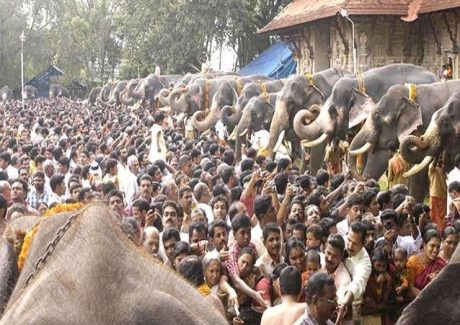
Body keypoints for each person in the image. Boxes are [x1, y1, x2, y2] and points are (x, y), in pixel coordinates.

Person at [336, 222, 372, 324]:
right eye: (349, 240)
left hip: (350, 308)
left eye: (355, 243)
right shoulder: (341, 241)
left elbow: (356, 285)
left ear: (364, 243)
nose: (350, 246)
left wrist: (343, 304)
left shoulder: (365, 263)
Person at [406, 229, 446, 297]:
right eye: (432, 246)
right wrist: (425, 298)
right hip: (416, 301)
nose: (435, 250)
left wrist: (438, 279)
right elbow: (411, 287)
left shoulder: (440, 263)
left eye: (438, 247)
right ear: (424, 245)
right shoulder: (413, 262)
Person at [361, 248, 392, 324]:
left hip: (382, 312)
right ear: (373, 262)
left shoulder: (389, 275)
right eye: (378, 265)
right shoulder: (367, 275)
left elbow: (386, 302)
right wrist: (378, 284)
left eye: (383, 266)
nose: (381, 269)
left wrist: (389, 283)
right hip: (369, 313)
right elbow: (370, 303)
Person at [428, 159, 447, 230]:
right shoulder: (432, 168)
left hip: (443, 195)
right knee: (433, 215)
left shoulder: (443, 169)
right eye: (438, 158)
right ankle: (434, 230)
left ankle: (442, 231)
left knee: (443, 216)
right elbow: (432, 166)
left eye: (441, 158)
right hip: (435, 195)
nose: (440, 159)